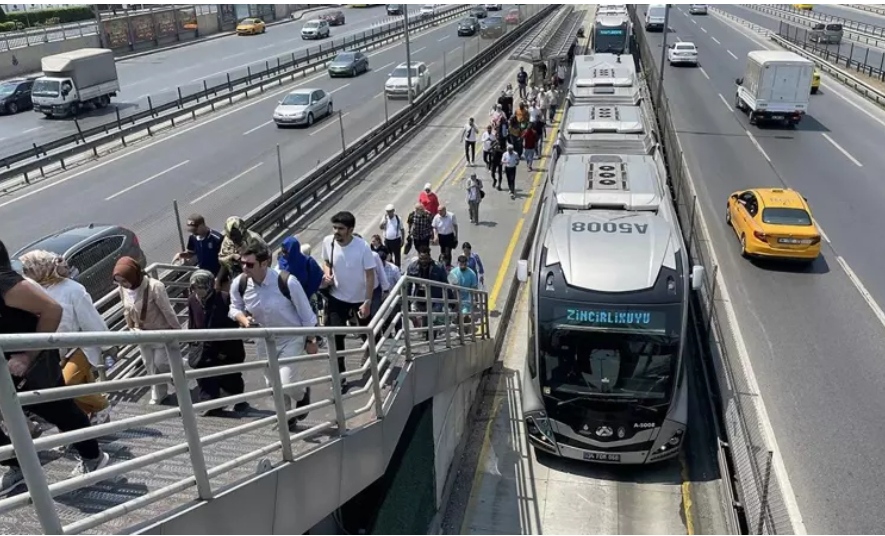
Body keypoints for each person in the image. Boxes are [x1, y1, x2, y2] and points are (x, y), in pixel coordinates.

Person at [0, 239, 109, 495]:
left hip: (30, 363)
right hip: (8, 364)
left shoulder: (5, 282)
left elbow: (51, 309)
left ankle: (93, 458)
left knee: (59, 410)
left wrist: (27, 355)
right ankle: (19, 465)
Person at [230, 240, 317, 429]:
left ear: (264, 263)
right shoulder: (241, 283)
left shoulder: (287, 281)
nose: (245, 268)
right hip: (263, 339)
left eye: (250, 264)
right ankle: (287, 417)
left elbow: (306, 314)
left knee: (286, 382)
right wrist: (243, 319)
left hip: (290, 337)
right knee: (272, 385)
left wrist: (311, 339)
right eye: (242, 263)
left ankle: (302, 394)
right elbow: (234, 307)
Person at [18, 250, 112, 425]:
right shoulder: (33, 290)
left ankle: (101, 406)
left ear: (40, 269)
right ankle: (84, 428)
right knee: (78, 388)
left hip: (81, 345)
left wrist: (108, 346)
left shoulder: (73, 289)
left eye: (28, 270)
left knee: (66, 385)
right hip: (55, 351)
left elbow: (90, 319)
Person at [114, 256, 180, 405]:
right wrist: (131, 327)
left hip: (160, 332)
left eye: (125, 280)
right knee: (149, 364)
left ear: (134, 275)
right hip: (141, 334)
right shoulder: (122, 289)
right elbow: (126, 309)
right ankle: (158, 394)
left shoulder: (154, 286)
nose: (122, 284)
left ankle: (181, 378)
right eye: (119, 281)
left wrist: (177, 331)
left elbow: (167, 311)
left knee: (162, 363)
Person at [320, 212, 376, 389]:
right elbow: (327, 261)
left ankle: (371, 356)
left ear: (351, 230)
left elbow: (369, 275)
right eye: (335, 227)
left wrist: (367, 301)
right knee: (336, 338)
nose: (336, 231)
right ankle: (340, 376)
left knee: (367, 333)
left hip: (359, 299)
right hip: (337, 297)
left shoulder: (363, 247)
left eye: (341, 229)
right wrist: (327, 273)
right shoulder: (328, 242)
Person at [186, 270, 249, 416]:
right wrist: (192, 343)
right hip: (203, 346)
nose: (198, 291)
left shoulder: (224, 298)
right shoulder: (192, 300)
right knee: (204, 375)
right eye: (195, 288)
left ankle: (239, 400)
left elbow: (233, 324)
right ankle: (210, 404)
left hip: (227, 345)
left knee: (230, 376)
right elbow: (192, 323)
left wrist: (225, 349)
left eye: (202, 287)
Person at [404, 246, 449, 340]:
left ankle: (431, 337)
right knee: (425, 322)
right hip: (420, 298)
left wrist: (451, 302)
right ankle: (426, 338)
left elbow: (446, 284)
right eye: (421, 258)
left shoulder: (438, 267)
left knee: (433, 319)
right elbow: (408, 285)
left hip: (435, 298)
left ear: (429, 256)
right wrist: (407, 301)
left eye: (425, 258)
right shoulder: (412, 267)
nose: (423, 261)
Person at [218, 216, 265, 291]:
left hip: (256, 275)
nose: (234, 238)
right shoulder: (227, 241)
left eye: (235, 234)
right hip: (237, 276)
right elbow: (221, 260)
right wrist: (232, 257)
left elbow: (266, 255)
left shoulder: (254, 238)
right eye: (231, 235)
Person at [447, 255, 479, 322]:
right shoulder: (453, 272)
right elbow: (448, 286)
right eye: (461, 264)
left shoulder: (472, 274)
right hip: (455, 298)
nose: (463, 266)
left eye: (464, 264)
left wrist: (476, 300)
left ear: (467, 263)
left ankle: (464, 322)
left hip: (466, 299)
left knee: (464, 316)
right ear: (458, 263)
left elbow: (474, 288)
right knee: (453, 318)